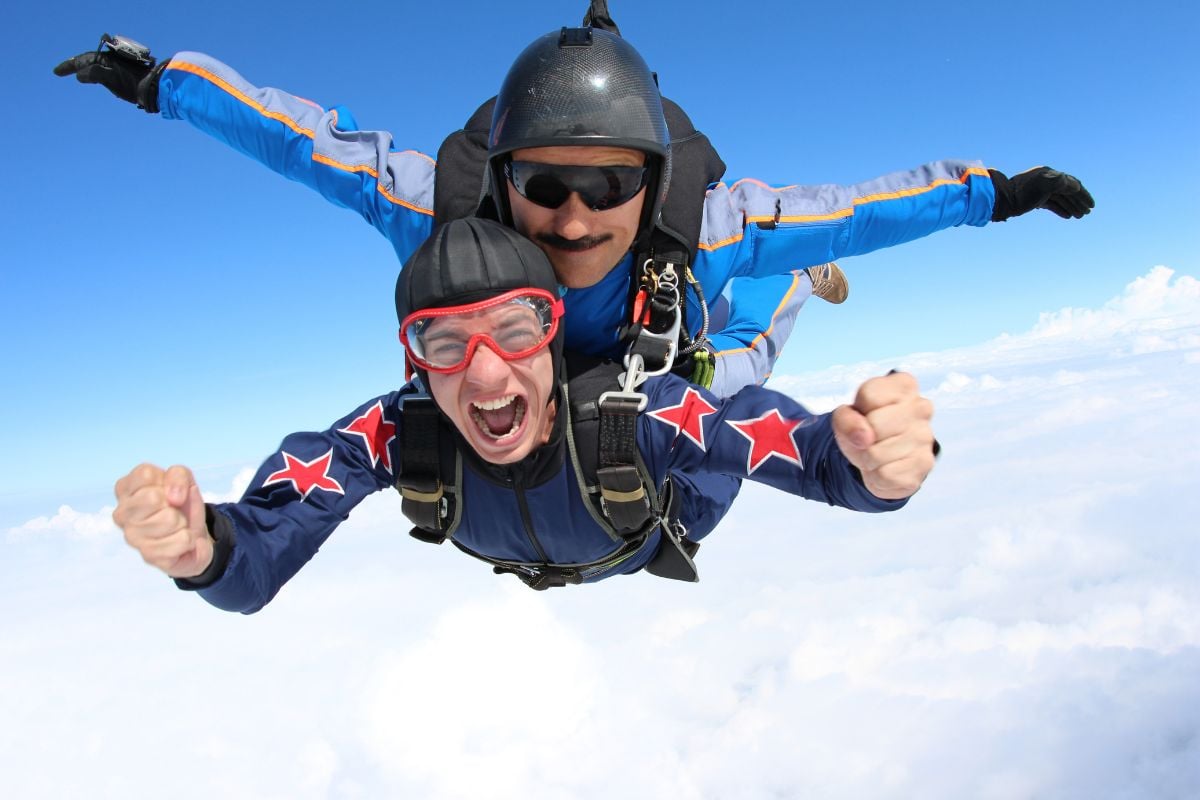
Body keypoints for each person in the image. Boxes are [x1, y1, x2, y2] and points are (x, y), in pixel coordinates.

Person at [55, 26, 1092, 396]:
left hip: (700, 314)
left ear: (654, 177)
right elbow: (304, 138)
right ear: (503, 176)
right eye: (545, 183)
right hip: (586, 342)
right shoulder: (442, 213)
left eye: (610, 185)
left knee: (721, 368)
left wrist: (997, 192)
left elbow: (866, 208)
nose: (575, 217)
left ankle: (798, 291)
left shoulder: (721, 222)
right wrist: (163, 81)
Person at [112, 218, 938, 608]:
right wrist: (205, 551)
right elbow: (256, 560)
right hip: (614, 534)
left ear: (552, 336)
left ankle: (795, 271)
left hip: (674, 503)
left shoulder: (638, 415)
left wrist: (869, 465)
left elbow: (787, 444)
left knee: (740, 352)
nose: (482, 369)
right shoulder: (402, 434)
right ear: (412, 362)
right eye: (443, 343)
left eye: (514, 329)